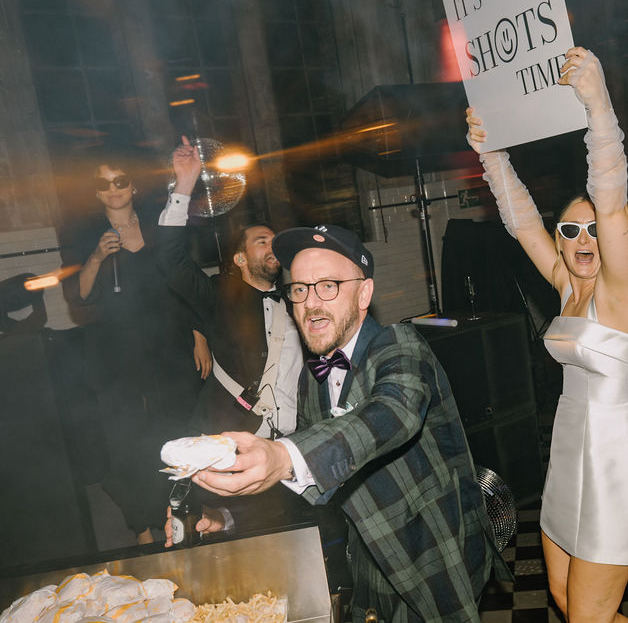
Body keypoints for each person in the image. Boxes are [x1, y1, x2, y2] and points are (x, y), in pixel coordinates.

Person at [467, 47, 628, 623]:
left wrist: (597, 105)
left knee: (586, 617)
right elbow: (521, 220)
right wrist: (491, 155)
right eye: (570, 229)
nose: (583, 239)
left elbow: (610, 197)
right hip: (569, 455)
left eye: (594, 229)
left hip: (615, 464)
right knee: (563, 598)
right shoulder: (564, 284)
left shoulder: (619, 292)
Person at [192, 224, 506, 622]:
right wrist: (230, 517)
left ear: (364, 294)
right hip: (367, 566)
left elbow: (393, 413)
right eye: (299, 288)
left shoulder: (400, 346)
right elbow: (305, 479)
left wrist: (282, 454)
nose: (310, 303)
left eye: (328, 286)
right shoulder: (311, 381)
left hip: (431, 559)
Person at [59, 150, 207, 544]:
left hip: (168, 345)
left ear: (133, 186)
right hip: (116, 351)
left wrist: (200, 335)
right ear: (96, 192)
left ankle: (181, 518)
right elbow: (80, 296)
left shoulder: (159, 226)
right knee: (127, 437)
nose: (113, 189)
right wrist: (96, 256)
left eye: (120, 180)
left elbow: (185, 283)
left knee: (176, 429)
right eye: (103, 183)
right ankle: (142, 527)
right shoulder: (85, 236)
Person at [159, 137, 303, 440]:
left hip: (292, 442)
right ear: (240, 259)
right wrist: (184, 184)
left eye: (275, 242)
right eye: (262, 241)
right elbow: (171, 259)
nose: (273, 246)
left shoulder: (298, 301)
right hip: (233, 438)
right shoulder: (219, 298)